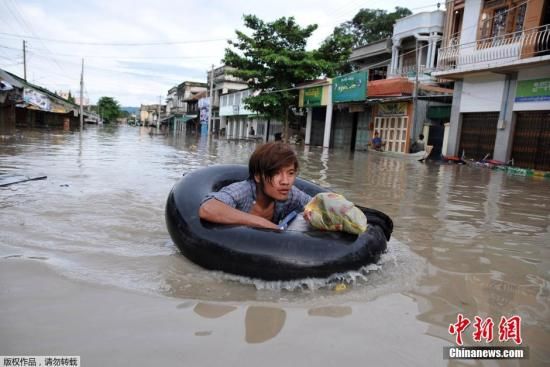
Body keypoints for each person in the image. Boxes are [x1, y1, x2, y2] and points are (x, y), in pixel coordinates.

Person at [199, 142, 312, 229]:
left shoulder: (290, 193)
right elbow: (208, 209)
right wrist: (262, 222)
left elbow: (317, 203)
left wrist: (313, 212)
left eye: (291, 173)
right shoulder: (243, 191)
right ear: (258, 176)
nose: (285, 181)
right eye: (276, 173)